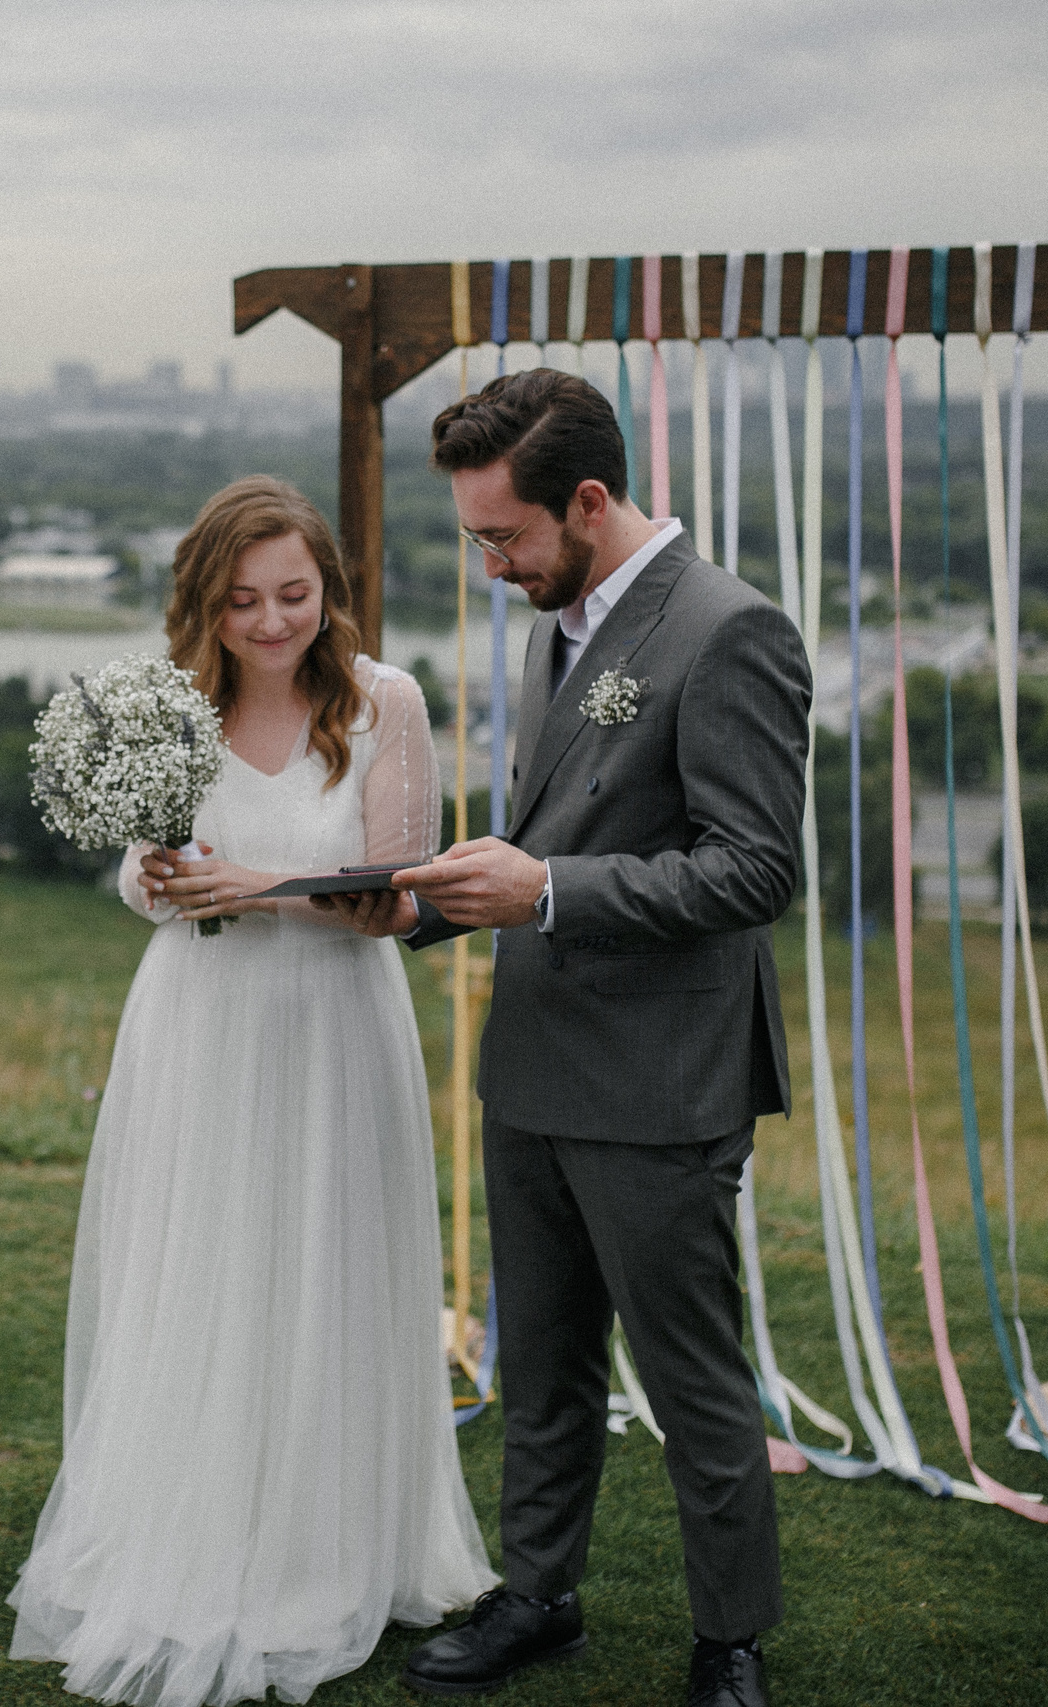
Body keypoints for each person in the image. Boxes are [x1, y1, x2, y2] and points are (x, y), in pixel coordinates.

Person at [328, 368, 811, 1707]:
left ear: (587, 501)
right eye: (480, 538)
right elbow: (563, 826)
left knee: (691, 1374)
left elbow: (756, 872)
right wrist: (414, 902)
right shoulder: (564, 619)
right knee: (541, 1360)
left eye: (505, 537)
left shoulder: (732, 630)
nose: (491, 566)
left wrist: (543, 889)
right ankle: (538, 1592)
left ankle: (732, 1642)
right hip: (535, 1058)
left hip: (660, 1078)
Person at [8, 476, 493, 1706]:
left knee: (327, 1261)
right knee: (208, 1263)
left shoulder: (386, 702)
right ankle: (200, 1521)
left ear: (329, 588)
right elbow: (137, 878)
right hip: (200, 1023)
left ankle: (330, 1543)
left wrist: (255, 888)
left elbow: (395, 897)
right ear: (205, 607)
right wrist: (165, 880)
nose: (272, 622)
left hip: (334, 1023)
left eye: (294, 594)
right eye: (243, 603)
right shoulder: (169, 709)